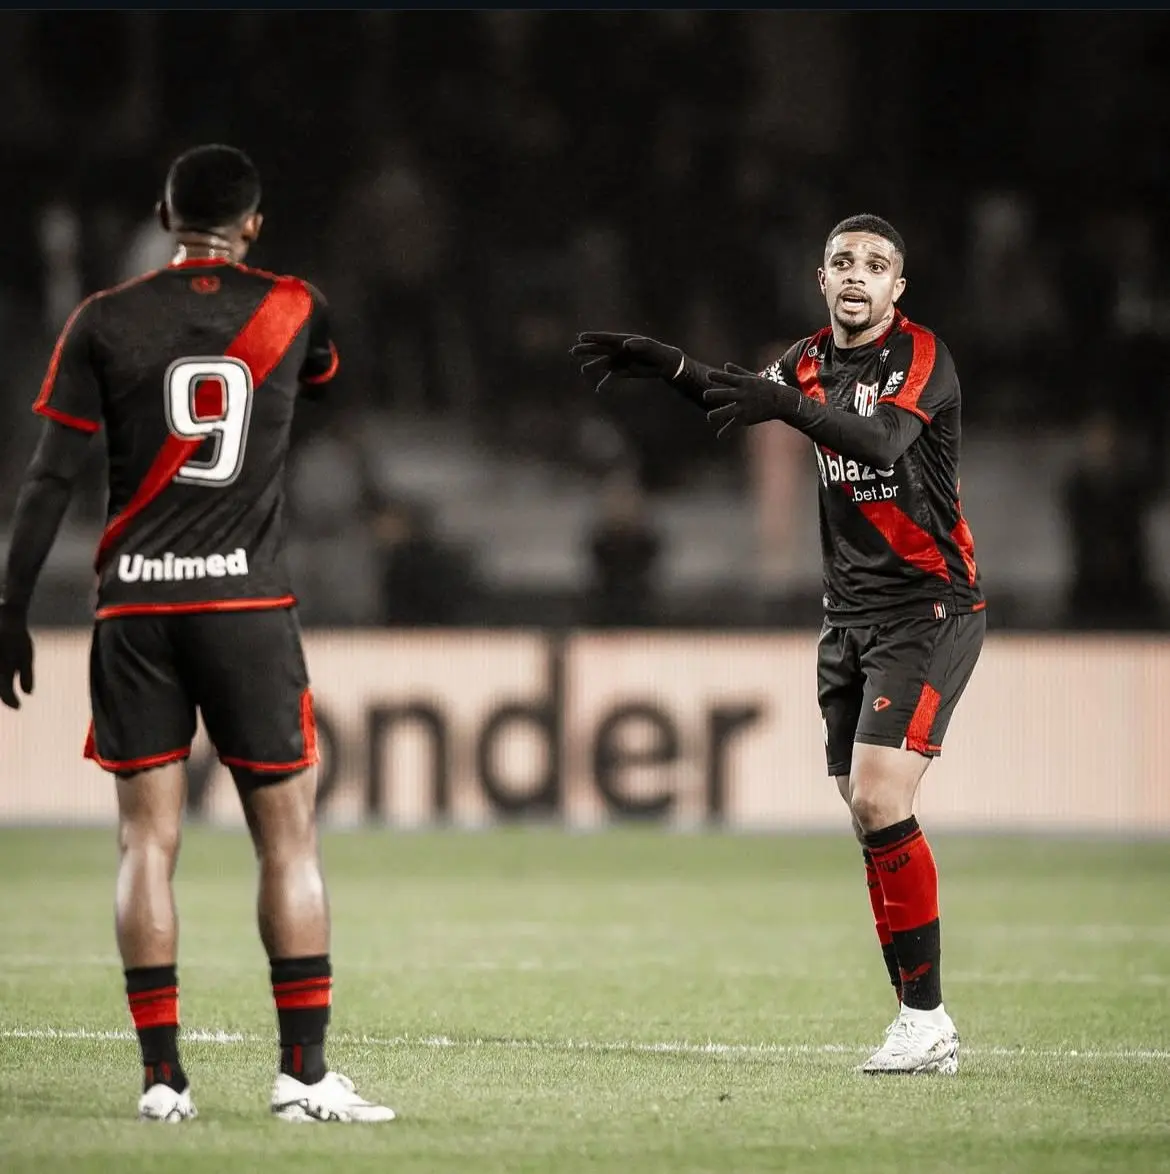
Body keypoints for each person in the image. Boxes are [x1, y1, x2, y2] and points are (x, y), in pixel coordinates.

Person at [0, 145, 396, 1124]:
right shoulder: (293, 307)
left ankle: (161, 1081)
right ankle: (302, 1074)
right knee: (288, 837)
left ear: (162, 213)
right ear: (253, 223)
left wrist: (9, 608)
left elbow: (50, 477)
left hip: (133, 606)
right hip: (246, 605)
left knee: (145, 841)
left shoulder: (103, 318)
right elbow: (328, 387)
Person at [572, 214, 985, 1076]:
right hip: (847, 616)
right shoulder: (808, 359)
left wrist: (789, 403)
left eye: (876, 265)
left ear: (898, 288)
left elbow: (879, 439)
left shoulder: (920, 356)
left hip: (927, 605)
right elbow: (736, 391)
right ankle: (920, 1019)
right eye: (842, 262)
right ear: (821, 277)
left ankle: (926, 1017)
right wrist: (668, 364)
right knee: (860, 804)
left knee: (879, 797)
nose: (857, 276)